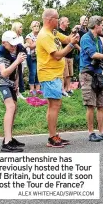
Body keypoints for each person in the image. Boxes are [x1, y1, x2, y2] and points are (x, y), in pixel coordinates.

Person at [36, 8, 79, 148]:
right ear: (49, 20)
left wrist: (73, 34)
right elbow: (58, 55)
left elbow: (66, 39)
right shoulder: (44, 35)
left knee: (54, 105)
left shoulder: (53, 32)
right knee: (55, 105)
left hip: (54, 74)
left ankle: (53, 135)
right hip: (49, 74)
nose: (59, 21)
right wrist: (72, 45)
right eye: (57, 19)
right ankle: (52, 137)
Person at [79, 15, 103, 142]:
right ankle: (91, 132)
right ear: (96, 25)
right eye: (101, 25)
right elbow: (93, 54)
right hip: (87, 73)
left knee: (102, 104)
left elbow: (100, 51)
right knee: (90, 104)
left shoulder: (98, 39)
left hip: (98, 73)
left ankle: (102, 131)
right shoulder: (85, 38)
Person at [0, 31, 27, 152]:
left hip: (11, 82)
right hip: (1, 81)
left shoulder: (17, 48)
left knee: (15, 108)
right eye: (11, 45)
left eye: (15, 44)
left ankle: (9, 138)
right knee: (10, 107)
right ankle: (6, 144)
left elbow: (18, 68)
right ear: (3, 43)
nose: (14, 47)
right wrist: (17, 61)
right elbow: (4, 73)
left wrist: (17, 81)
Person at [58, 16, 79, 96]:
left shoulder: (67, 32)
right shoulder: (58, 32)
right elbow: (66, 41)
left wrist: (74, 33)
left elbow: (71, 40)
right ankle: (62, 90)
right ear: (62, 22)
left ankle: (68, 88)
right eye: (67, 21)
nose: (68, 23)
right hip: (63, 56)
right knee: (64, 74)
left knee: (70, 74)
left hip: (70, 55)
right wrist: (72, 33)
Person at [25, 21, 41, 96]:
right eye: (35, 26)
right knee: (33, 72)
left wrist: (36, 42)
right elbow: (31, 46)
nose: (36, 27)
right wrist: (39, 40)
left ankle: (38, 90)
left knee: (39, 72)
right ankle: (32, 89)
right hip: (31, 56)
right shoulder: (28, 36)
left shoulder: (41, 35)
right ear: (32, 27)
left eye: (38, 26)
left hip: (40, 56)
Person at [11, 22, 26, 100]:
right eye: (20, 27)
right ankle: (14, 93)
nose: (21, 28)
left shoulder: (21, 37)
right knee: (14, 76)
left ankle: (19, 93)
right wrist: (26, 45)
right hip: (14, 59)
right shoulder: (12, 36)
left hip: (21, 59)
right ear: (16, 28)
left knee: (19, 76)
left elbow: (22, 48)